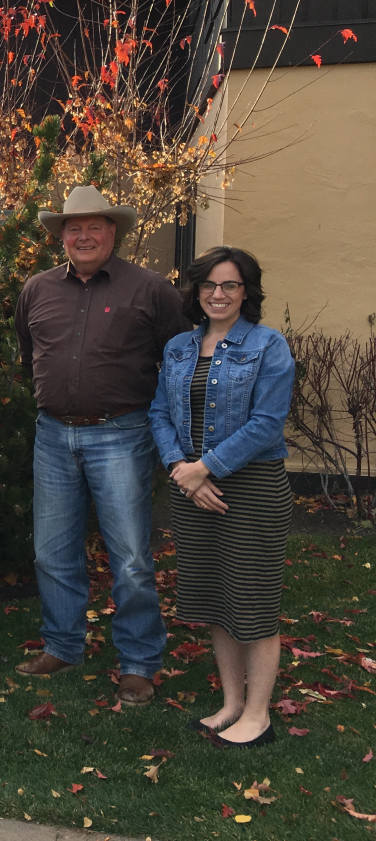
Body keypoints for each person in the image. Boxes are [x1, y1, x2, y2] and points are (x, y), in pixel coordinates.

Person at [13, 186, 186, 705]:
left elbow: (177, 362)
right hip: (52, 435)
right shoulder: (36, 290)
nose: (83, 235)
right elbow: (29, 357)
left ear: (114, 232)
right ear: (60, 236)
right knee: (51, 552)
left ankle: (137, 662)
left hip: (122, 433)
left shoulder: (152, 289)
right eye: (73, 228)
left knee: (130, 555)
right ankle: (63, 646)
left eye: (94, 227)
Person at [149, 247, 294, 747]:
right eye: (209, 285)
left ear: (247, 292)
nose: (218, 294)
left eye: (230, 285)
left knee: (252, 603)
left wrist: (203, 469)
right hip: (192, 486)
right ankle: (232, 703)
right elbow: (159, 413)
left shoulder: (268, 346)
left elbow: (267, 423)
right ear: (196, 291)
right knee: (215, 600)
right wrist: (179, 468)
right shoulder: (178, 349)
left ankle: (259, 715)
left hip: (250, 489)